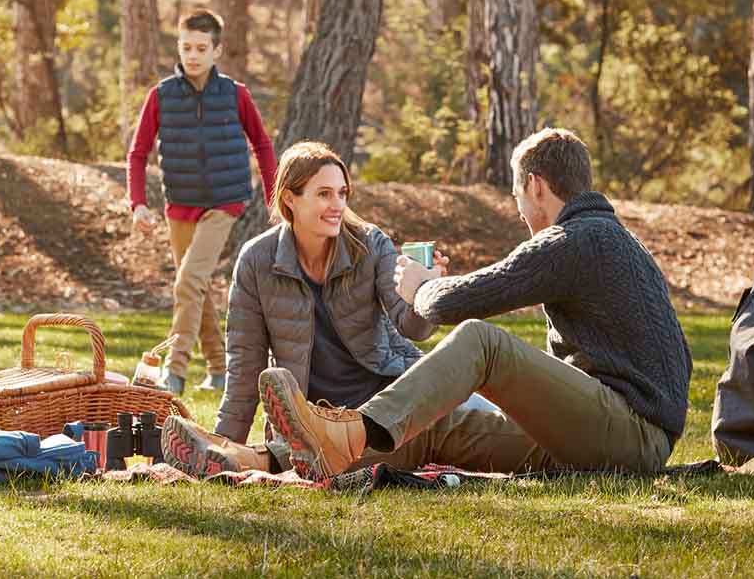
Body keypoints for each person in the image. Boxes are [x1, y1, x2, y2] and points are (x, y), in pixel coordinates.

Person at [254, 127, 693, 479]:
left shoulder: (577, 240)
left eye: (516, 194)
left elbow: (456, 304)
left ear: (535, 186)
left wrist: (420, 288)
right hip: (607, 435)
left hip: (630, 437)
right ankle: (258, 460)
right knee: (433, 428)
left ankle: (349, 433)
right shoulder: (608, 238)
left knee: (482, 342)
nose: (519, 208)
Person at [160, 141, 500, 478]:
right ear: (290, 198)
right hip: (311, 419)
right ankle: (239, 458)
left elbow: (413, 329)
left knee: (508, 425)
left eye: (342, 193)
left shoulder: (369, 244)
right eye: (324, 194)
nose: (336, 204)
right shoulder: (256, 261)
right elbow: (244, 370)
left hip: (390, 401)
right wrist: (223, 444)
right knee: (345, 451)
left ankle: (266, 459)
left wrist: (423, 290)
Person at [126, 9, 277, 396]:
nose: (193, 55)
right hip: (180, 204)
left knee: (189, 281)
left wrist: (275, 198)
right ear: (179, 47)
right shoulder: (161, 96)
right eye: (186, 47)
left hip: (224, 203)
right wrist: (138, 204)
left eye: (201, 48)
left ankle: (174, 373)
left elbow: (262, 144)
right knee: (195, 285)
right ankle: (219, 367)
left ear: (217, 51)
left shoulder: (235, 95)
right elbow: (138, 153)